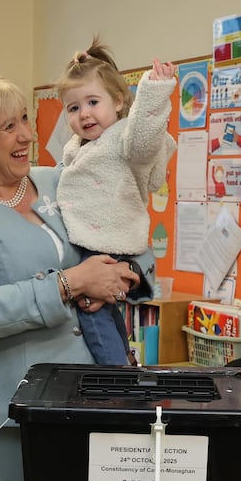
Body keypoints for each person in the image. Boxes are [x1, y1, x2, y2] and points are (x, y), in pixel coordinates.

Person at [0, 69, 151, 481]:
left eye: (25, 119)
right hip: (15, 408)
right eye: (9, 126)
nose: (27, 135)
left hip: (98, 392)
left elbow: (126, 232)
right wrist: (71, 283)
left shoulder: (60, 178)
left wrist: (127, 273)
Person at [54, 38, 177, 365]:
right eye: (74, 108)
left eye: (94, 102)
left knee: (91, 311)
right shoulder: (80, 148)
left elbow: (144, 138)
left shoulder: (125, 139)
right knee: (106, 313)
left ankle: (115, 373)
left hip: (105, 241)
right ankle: (123, 360)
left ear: (120, 102)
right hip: (98, 240)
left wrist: (154, 90)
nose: (84, 114)